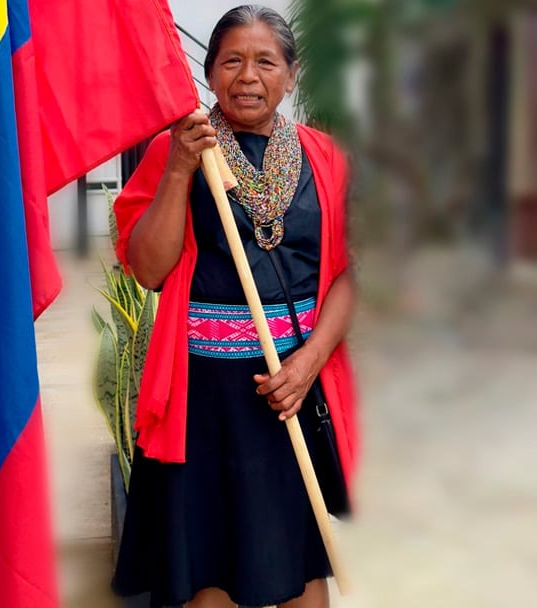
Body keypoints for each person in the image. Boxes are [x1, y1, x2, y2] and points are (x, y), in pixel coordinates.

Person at [111, 5, 359, 608]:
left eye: (265, 62)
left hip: (291, 390)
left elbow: (353, 274)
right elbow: (148, 268)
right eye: (232, 61)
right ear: (209, 72)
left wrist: (308, 364)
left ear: (291, 76)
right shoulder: (178, 151)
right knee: (210, 568)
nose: (247, 76)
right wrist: (179, 169)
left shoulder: (326, 158)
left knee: (301, 564)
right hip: (203, 397)